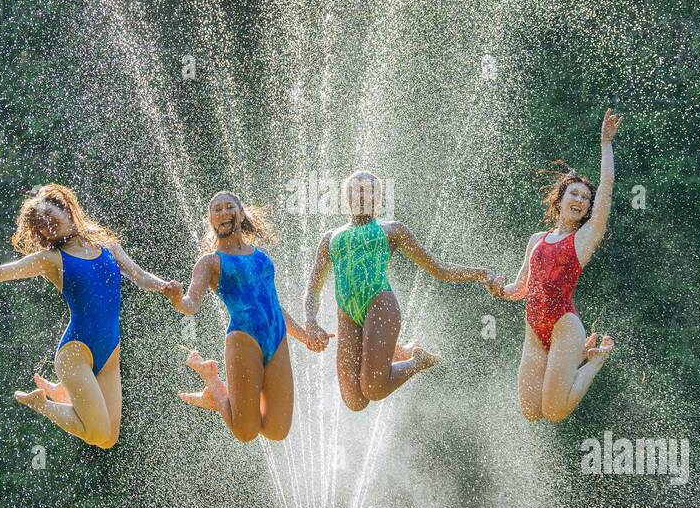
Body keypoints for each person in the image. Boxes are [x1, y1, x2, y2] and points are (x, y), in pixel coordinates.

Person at [0, 183, 178, 448]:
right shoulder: (50, 259)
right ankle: (42, 403)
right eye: (41, 226)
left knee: (108, 439)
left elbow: (139, 276)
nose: (47, 226)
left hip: (110, 352)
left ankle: (58, 393)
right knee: (97, 434)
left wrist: (164, 286)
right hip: (76, 353)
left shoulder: (107, 245)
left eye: (50, 217)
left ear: (66, 209)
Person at [303, 170, 498, 411]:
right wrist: (310, 320)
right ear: (346, 197)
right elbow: (314, 287)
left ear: (379, 198)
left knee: (373, 388)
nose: (362, 196)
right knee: (354, 401)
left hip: (380, 305)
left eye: (369, 191)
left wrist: (481, 273)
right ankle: (396, 351)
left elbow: (439, 268)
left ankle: (418, 360)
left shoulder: (392, 230)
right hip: (347, 315)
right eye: (356, 191)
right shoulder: (330, 238)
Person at [492, 109, 622, 422]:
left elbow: (606, 190)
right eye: (574, 194)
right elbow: (519, 289)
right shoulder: (537, 238)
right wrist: (499, 289)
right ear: (560, 199)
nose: (581, 200)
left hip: (564, 325)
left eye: (585, 199)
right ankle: (575, 358)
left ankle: (592, 361)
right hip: (534, 330)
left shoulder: (584, 239)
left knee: (554, 413)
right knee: (531, 412)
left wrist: (606, 144)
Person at [168, 191, 329, 442]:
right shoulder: (210, 262)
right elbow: (191, 303)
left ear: (241, 214)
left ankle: (224, 398)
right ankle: (213, 382)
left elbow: (273, 304)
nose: (223, 213)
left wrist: (304, 336)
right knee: (246, 432)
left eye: (229, 207)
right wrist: (178, 299)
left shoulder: (261, 257)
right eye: (216, 209)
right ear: (210, 220)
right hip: (244, 338)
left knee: (277, 431)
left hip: (277, 339)